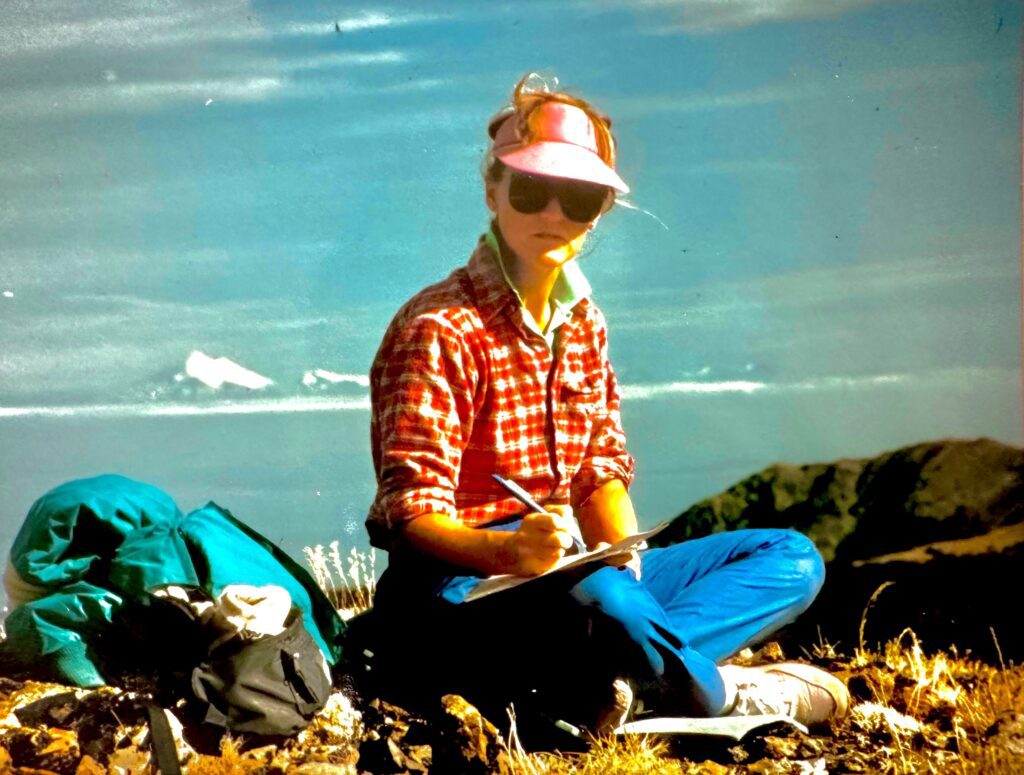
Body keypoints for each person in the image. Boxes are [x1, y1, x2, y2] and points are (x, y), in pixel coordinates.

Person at [361, 73, 850, 735]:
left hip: (569, 575)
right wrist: (512, 555)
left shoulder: (583, 322)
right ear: (492, 190)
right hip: (457, 592)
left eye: (580, 199)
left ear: (601, 210)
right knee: (607, 600)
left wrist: (622, 552)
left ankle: (617, 682)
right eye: (532, 190)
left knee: (791, 556)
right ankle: (718, 693)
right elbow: (408, 515)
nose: (553, 215)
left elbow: (598, 471)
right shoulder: (440, 327)